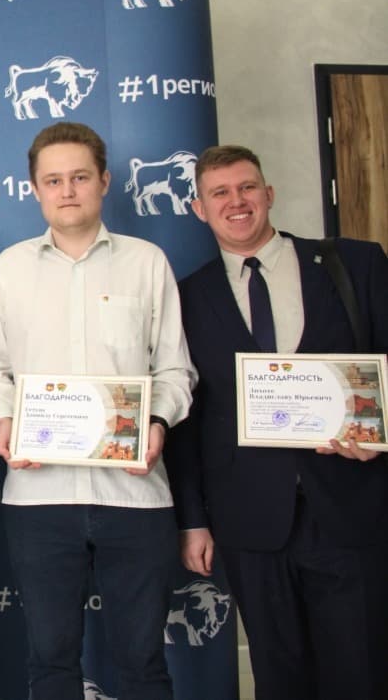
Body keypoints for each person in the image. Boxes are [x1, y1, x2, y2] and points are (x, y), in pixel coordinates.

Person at [0, 122, 195, 700]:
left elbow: (175, 370)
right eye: (53, 180)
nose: (66, 190)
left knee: (143, 662)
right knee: (50, 661)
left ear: (104, 181)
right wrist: (5, 419)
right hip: (39, 497)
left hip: (135, 494)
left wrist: (156, 423)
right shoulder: (9, 268)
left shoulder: (147, 263)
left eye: (79, 177)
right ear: (34, 189)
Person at [164, 145, 388, 700]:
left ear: (268, 194)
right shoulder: (186, 296)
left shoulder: (354, 265)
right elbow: (188, 421)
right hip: (249, 521)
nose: (236, 202)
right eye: (219, 193)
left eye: (247, 187)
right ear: (199, 209)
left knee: (361, 672)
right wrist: (193, 520)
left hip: (350, 505)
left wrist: (380, 436)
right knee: (278, 676)